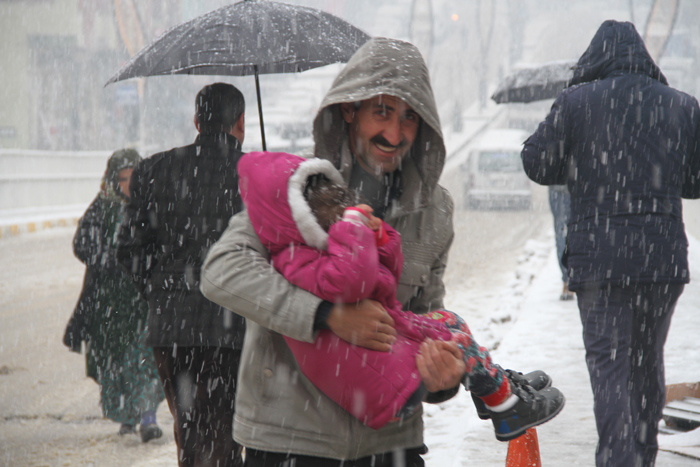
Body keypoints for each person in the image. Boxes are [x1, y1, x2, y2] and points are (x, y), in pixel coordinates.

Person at [201, 37, 563, 466]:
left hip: (390, 443)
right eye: (383, 112)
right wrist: (327, 316)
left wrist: (442, 378)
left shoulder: (436, 209)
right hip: (290, 441)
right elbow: (222, 271)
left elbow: (425, 313)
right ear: (350, 110)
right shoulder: (299, 185)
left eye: (410, 117)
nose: (394, 134)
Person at [236, 150, 564, 434]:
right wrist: (350, 229)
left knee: (452, 322)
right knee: (457, 343)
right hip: (384, 385)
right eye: (329, 220)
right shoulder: (293, 259)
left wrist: (380, 239)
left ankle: (494, 388)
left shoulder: (317, 249)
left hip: (389, 350)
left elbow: (384, 282)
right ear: (299, 220)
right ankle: (506, 408)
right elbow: (355, 282)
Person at [521, 20, 700, 467]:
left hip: (600, 262)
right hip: (660, 260)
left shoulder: (577, 102)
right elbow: (695, 183)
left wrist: (579, 163)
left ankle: (619, 460)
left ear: (594, 57)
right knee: (646, 368)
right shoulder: (681, 106)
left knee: (610, 371)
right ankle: (640, 456)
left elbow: (536, 163)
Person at [116, 83, 247, 466]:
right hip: (239, 322)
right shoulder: (255, 176)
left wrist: (161, 290)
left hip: (175, 328)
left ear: (196, 120)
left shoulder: (154, 169)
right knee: (233, 432)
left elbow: (129, 249)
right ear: (240, 122)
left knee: (192, 431)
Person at [63, 148, 165, 442]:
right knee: (115, 363)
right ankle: (126, 416)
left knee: (144, 360)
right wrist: (109, 260)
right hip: (107, 305)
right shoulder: (101, 207)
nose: (128, 184)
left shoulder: (150, 206)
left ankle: (147, 417)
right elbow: (82, 244)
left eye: (134, 177)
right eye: (123, 178)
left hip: (141, 302)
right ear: (112, 179)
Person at [547, 185, 574, 300]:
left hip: (559, 188)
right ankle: (569, 278)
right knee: (571, 231)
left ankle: (568, 279)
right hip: (574, 186)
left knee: (561, 232)